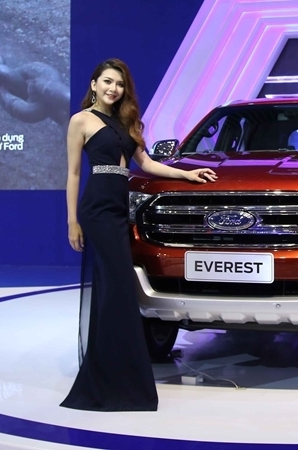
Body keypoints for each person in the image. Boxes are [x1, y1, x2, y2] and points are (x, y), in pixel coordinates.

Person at [61, 58, 217, 411]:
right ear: (94, 84)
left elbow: (146, 164)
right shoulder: (81, 120)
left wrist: (187, 174)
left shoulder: (124, 122)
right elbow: (73, 174)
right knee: (115, 290)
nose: (113, 88)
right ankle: (108, 379)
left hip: (120, 210)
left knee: (117, 292)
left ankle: (119, 374)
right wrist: (72, 221)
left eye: (119, 84)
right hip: (97, 211)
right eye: (107, 81)